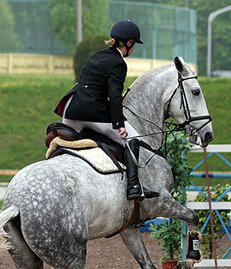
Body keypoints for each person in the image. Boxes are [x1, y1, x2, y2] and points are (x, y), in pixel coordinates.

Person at [53, 20, 158, 201]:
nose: (133, 49)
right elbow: (115, 96)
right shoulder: (119, 63)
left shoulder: (96, 56)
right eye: (134, 45)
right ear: (129, 43)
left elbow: (93, 88)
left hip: (70, 111)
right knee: (133, 138)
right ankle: (133, 186)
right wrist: (120, 125)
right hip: (90, 112)